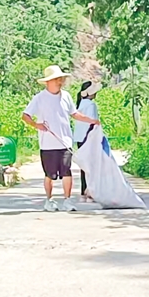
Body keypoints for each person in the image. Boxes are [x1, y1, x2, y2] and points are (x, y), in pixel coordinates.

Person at [22, 65, 100, 213]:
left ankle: (67, 200)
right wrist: (36, 125)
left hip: (65, 143)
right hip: (47, 144)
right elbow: (25, 115)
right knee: (50, 175)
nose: (60, 82)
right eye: (56, 79)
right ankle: (49, 200)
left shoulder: (66, 96)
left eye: (61, 79)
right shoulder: (39, 98)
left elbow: (74, 114)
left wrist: (91, 120)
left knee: (67, 172)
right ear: (48, 82)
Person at [73, 81, 102, 202]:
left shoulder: (81, 104)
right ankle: (90, 192)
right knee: (92, 165)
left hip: (80, 138)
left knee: (84, 166)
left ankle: (83, 192)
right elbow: (92, 122)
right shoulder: (91, 105)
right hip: (89, 137)